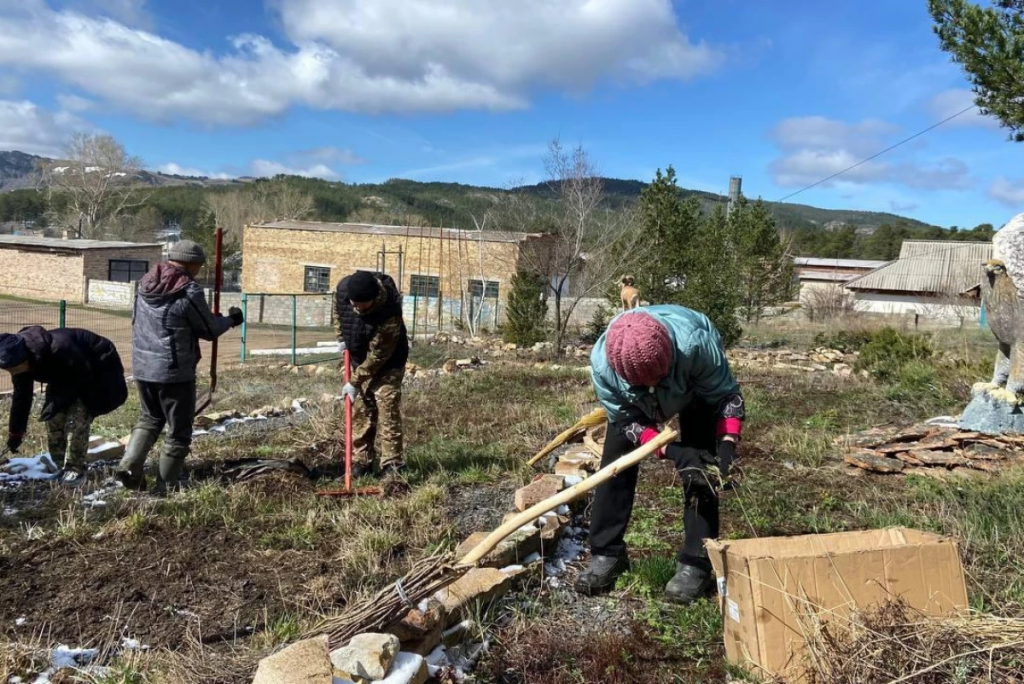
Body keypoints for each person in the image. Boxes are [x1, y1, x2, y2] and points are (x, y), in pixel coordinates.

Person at [575, 306, 744, 603]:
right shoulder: (604, 366)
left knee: (701, 468)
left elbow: (726, 396)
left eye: (658, 377)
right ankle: (606, 553)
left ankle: (696, 561)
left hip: (693, 388)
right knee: (615, 465)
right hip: (633, 405)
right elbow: (626, 421)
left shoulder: (696, 345)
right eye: (644, 383)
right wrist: (669, 449)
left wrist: (727, 445)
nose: (653, 387)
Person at [115, 240, 243, 493]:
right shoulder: (187, 290)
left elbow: (169, 322)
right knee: (179, 429)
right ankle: (166, 486)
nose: (199, 270)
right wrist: (231, 319)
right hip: (174, 372)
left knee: (150, 418)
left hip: (143, 366)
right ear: (191, 264)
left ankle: (129, 467)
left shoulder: (144, 284)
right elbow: (208, 330)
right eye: (198, 266)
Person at [0, 326, 128, 486]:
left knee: (77, 418)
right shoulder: (21, 362)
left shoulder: (61, 348)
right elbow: (22, 398)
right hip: (66, 374)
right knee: (53, 417)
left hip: (97, 367)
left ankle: (75, 469)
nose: (12, 373)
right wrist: (16, 433)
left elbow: (82, 379)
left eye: (13, 369)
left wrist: (63, 401)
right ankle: (58, 464)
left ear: (24, 359)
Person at [333, 270, 409, 479]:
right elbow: (338, 312)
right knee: (361, 409)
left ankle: (392, 465)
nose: (357, 308)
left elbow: (378, 356)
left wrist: (355, 381)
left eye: (363, 305)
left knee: (387, 405)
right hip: (359, 356)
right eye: (354, 303)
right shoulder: (343, 291)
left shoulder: (389, 311)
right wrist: (341, 337)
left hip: (388, 361)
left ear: (374, 298)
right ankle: (361, 462)